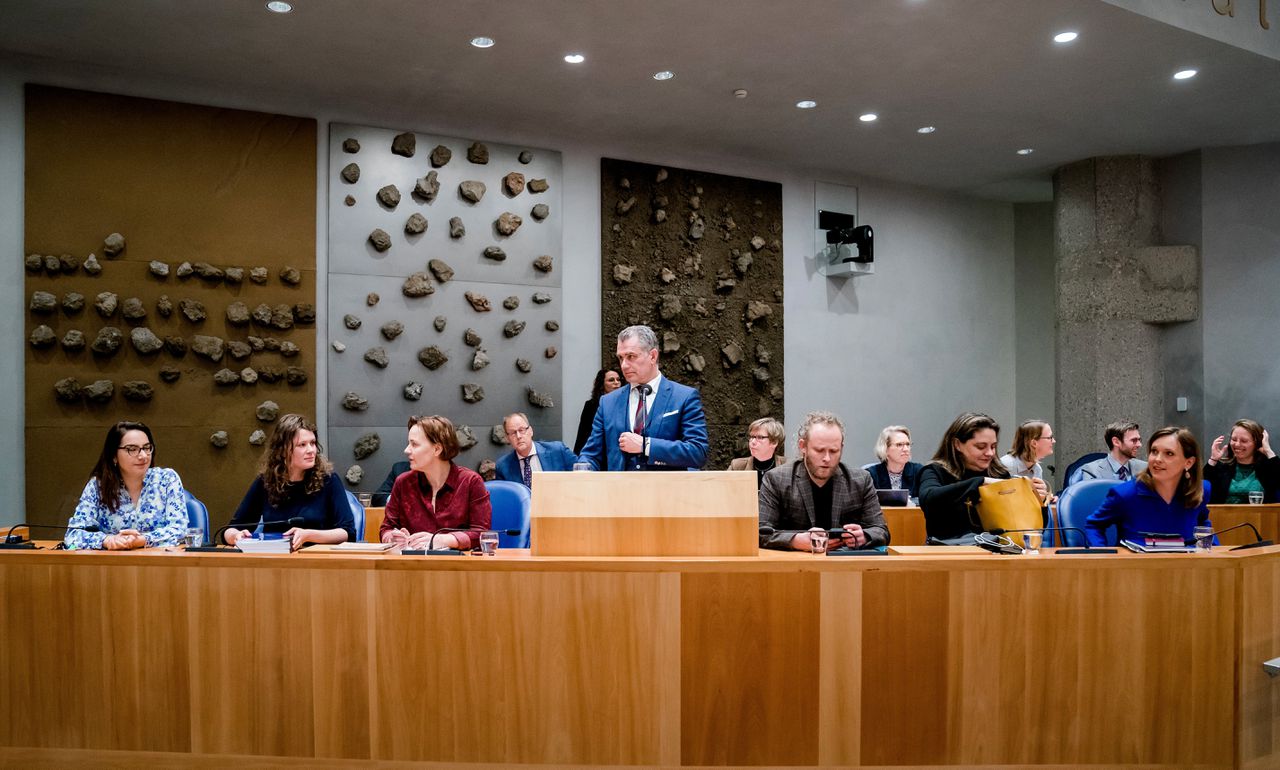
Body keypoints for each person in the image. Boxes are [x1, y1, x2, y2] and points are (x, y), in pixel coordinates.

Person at [578, 325, 709, 471]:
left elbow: (698, 452)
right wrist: (582, 470)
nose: (624, 365)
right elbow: (591, 455)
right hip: (619, 491)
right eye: (621, 358)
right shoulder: (608, 402)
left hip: (667, 491)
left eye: (631, 356)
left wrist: (646, 446)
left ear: (652, 356)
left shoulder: (684, 397)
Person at [759, 411, 888, 551]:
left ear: (841, 448)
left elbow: (881, 531)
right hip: (796, 566)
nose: (827, 458)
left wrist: (864, 536)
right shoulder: (777, 479)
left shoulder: (861, 480)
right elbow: (761, 532)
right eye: (819, 450)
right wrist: (795, 540)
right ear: (803, 446)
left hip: (845, 566)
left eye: (834, 451)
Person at [223, 414, 355, 549]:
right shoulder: (265, 482)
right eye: (302, 445)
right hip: (273, 559)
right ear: (283, 450)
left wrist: (308, 535)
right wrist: (235, 536)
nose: (311, 450)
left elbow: (348, 532)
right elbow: (229, 530)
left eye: (313, 443)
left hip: (316, 560)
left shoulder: (329, 480)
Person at [917, 412, 1047, 543]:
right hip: (948, 553)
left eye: (993, 446)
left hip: (997, 552)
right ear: (957, 444)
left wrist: (1037, 501)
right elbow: (929, 500)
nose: (990, 453)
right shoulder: (934, 471)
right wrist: (981, 482)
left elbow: (1027, 526)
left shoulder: (999, 473)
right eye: (980, 446)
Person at [64, 421, 187, 550]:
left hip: (159, 564)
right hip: (111, 565)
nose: (143, 456)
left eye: (146, 448)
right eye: (132, 449)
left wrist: (143, 540)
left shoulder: (167, 479)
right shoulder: (98, 486)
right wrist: (107, 540)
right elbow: (73, 534)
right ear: (113, 456)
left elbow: (180, 529)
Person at [1085, 427, 1211, 546]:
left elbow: (1203, 523)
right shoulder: (1126, 494)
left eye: (1169, 454)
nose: (1158, 459)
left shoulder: (1200, 490)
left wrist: (1215, 553)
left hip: (1185, 566)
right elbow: (1094, 526)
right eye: (1154, 451)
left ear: (1188, 462)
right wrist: (1104, 559)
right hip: (1137, 566)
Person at [381, 414, 492, 549]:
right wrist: (392, 538)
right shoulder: (403, 483)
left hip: (458, 567)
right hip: (412, 565)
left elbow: (481, 533)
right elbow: (386, 528)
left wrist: (444, 540)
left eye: (414, 444)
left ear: (437, 449)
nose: (406, 450)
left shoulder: (470, 482)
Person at [1204, 419, 1280, 503]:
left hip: (1260, 515)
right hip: (1225, 515)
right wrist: (1213, 459)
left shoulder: (1268, 468)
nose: (1237, 444)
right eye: (1234, 439)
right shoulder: (1221, 467)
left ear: (1257, 443)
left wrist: (1268, 451)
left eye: (1244, 441)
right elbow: (1201, 489)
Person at [495, 412, 577, 487]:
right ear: (508, 438)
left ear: (530, 431)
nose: (518, 436)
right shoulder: (503, 466)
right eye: (513, 433)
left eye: (521, 430)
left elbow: (582, 474)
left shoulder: (558, 450)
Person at [1071, 421, 1148, 484]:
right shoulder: (1091, 471)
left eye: (1139, 440)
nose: (1139, 445)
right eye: (1134, 440)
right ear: (1116, 442)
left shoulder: (1145, 468)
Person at [573, 368, 623, 454]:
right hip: (599, 451)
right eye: (611, 380)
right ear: (602, 384)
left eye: (618, 379)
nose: (616, 382)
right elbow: (583, 434)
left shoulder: (626, 403)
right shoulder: (592, 405)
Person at [864, 425, 923, 497]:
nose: (906, 449)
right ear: (885, 448)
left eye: (908, 444)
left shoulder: (919, 472)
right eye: (899, 445)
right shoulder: (871, 475)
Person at [727, 417, 787, 487]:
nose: (752, 442)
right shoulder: (737, 466)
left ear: (774, 442)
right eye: (752, 437)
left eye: (760, 437)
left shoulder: (787, 467)